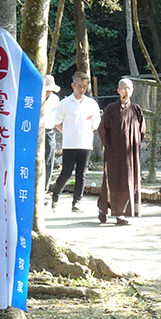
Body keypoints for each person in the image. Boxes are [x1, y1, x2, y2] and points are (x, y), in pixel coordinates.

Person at [97, 78, 146, 225]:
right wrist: (110, 147)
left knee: (128, 182)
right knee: (112, 181)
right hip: (114, 154)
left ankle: (121, 213)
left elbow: (142, 130)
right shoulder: (111, 109)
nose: (126, 91)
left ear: (132, 91)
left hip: (131, 154)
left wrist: (134, 145)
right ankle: (104, 208)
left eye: (129, 88)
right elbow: (102, 129)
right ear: (118, 91)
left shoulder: (136, 109)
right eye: (124, 88)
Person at [50, 71, 100, 213]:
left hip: (86, 144)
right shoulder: (65, 103)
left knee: (81, 173)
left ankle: (77, 202)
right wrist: (67, 132)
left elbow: (96, 123)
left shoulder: (91, 103)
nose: (82, 89)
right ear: (73, 85)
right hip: (70, 144)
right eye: (79, 86)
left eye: (84, 86)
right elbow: (57, 122)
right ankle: (55, 195)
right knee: (66, 173)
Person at [42, 75, 61, 200]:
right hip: (35, 132)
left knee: (49, 161)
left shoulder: (55, 99)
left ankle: (45, 188)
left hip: (49, 131)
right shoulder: (34, 97)